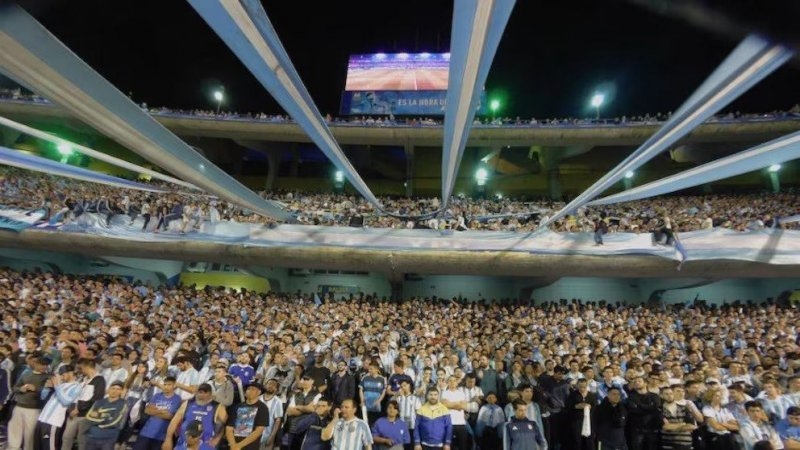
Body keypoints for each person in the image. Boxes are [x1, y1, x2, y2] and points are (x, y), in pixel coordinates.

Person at [162, 383, 228, 450]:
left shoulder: (217, 407)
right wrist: (168, 439)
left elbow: (223, 426)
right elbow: (174, 422)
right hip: (184, 443)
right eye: (200, 392)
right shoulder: (187, 404)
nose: (202, 394)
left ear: (210, 394)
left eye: (205, 392)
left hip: (205, 445)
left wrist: (217, 439)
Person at [33, 364, 81, 450]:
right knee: (38, 446)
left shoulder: (77, 386)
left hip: (53, 421)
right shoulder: (61, 385)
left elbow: (66, 402)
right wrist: (46, 387)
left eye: (63, 374)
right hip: (42, 418)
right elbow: (43, 397)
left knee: (49, 447)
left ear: (71, 373)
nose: (61, 377)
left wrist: (57, 385)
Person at [62, 358, 107, 450]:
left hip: (86, 415)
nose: (79, 371)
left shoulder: (99, 380)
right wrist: (71, 409)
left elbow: (96, 399)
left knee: (82, 441)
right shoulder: (83, 379)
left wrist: (79, 409)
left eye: (80, 368)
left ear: (87, 367)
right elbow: (75, 396)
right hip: (73, 413)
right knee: (66, 438)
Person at [8, 355, 51, 450]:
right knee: (14, 431)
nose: (44, 367)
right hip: (19, 406)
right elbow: (15, 387)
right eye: (42, 364)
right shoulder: (26, 374)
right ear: (36, 364)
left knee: (30, 434)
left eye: (46, 365)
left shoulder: (48, 377)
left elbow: (49, 392)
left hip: (34, 409)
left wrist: (36, 389)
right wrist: (21, 389)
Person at [134, 376, 183, 450]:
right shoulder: (157, 395)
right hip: (146, 432)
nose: (166, 387)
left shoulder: (177, 398)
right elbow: (147, 411)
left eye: (169, 385)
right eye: (165, 384)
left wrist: (154, 411)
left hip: (161, 435)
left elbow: (169, 416)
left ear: (174, 386)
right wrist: (161, 411)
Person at [84, 381, 129, 450]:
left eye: (118, 389)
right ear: (108, 389)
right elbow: (88, 417)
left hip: (108, 439)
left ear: (121, 392)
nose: (115, 391)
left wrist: (99, 415)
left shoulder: (123, 404)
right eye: (113, 388)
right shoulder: (99, 402)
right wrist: (107, 416)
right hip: (92, 436)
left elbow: (115, 421)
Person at [225, 382, 270, 450]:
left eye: (253, 389)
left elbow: (259, 430)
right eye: (248, 389)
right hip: (233, 444)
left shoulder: (263, 408)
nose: (250, 391)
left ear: (259, 392)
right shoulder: (237, 406)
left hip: (250, 446)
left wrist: (239, 446)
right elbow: (229, 428)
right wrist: (232, 444)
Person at [258, 378, 284, 450]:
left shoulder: (277, 401)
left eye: (273, 385)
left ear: (276, 389)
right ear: (265, 385)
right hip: (252, 433)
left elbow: (277, 421)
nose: (271, 386)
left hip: (266, 435)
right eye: (269, 383)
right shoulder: (258, 398)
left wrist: (272, 437)